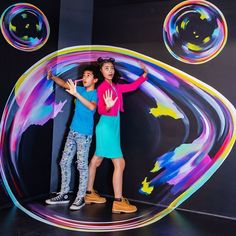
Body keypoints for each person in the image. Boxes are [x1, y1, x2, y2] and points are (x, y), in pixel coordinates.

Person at [85, 57, 148, 213]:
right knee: (119, 164)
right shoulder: (101, 88)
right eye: (106, 68)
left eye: (111, 68)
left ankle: (88, 193)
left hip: (111, 128)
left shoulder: (116, 87)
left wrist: (145, 74)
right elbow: (100, 110)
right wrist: (107, 106)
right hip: (106, 127)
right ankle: (118, 201)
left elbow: (133, 86)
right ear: (101, 71)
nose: (110, 71)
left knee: (96, 160)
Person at [45, 65, 98, 211]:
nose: (85, 77)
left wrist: (76, 94)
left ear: (95, 79)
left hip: (84, 135)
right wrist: (53, 77)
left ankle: (81, 197)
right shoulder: (79, 89)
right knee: (63, 162)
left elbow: (92, 107)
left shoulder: (95, 93)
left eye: (88, 75)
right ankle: (64, 194)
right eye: (84, 75)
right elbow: (63, 84)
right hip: (72, 132)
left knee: (81, 165)